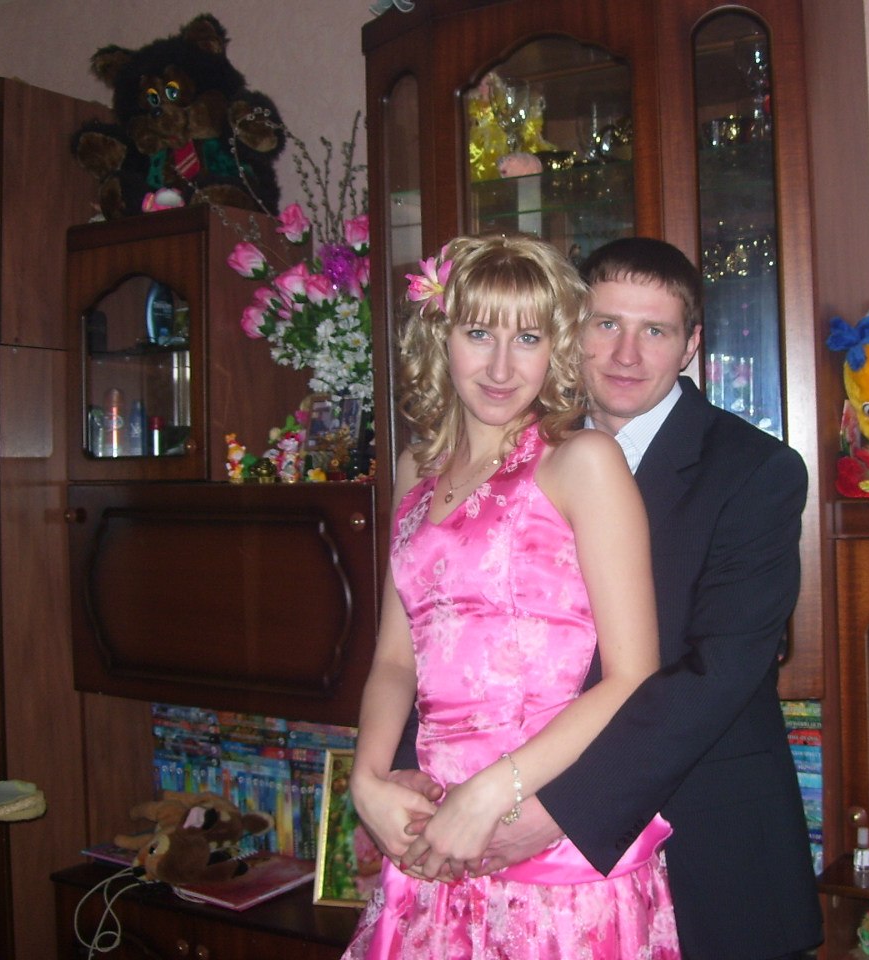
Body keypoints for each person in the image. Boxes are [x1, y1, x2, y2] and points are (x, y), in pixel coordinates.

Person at [397, 236, 822, 959]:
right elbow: (450, 625)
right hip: (500, 832)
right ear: (572, 330)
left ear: (690, 345)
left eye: (655, 331)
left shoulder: (756, 471)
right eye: (606, 324)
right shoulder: (514, 451)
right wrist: (411, 772)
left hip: (701, 839)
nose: (626, 354)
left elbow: (717, 673)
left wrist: (562, 808)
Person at [342, 233, 679, 959]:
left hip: (544, 838)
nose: (501, 367)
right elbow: (396, 659)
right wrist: (366, 781)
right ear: (440, 338)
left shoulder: (582, 462)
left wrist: (494, 792)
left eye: (527, 338)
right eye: (478, 334)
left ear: (556, 348)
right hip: (433, 834)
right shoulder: (417, 470)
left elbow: (633, 674)